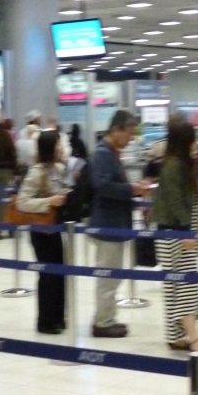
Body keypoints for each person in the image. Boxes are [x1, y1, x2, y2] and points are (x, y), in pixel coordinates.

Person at [89, 110, 150, 337]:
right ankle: (102, 322)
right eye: (129, 134)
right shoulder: (102, 154)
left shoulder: (111, 153)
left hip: (114, 223)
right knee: (107, 277)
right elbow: (103, 186)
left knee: (113, 276)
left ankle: (107, 317)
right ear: (116, 130)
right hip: (107, 224)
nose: (130, 139)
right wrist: (132, 189)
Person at [153, 115, 198, 351]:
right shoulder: (175, 166)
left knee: (174, 286)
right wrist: (186, 231)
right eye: (193, 139)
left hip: (172, 233)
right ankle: (193, 337)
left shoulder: (174, 164)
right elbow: (176, 202)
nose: (196, 143)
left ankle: (176, 336)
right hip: (176, 233)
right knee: (186, 284)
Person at [14, 130, 73, 335]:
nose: (62, 148)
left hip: (55, 228)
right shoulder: (36, 172)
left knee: (59, 273)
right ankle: (46, 321)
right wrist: (49, 201)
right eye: (58, 144)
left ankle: (59, 317)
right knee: (47, 275)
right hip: (40, 230)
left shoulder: (59, 168)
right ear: (50, 148)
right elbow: (22, 202)